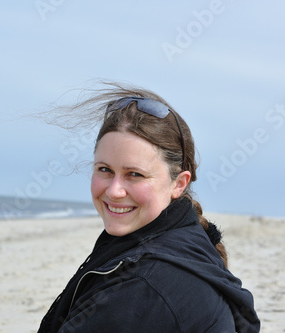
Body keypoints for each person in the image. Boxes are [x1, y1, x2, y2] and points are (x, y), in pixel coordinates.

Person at [37, 82, 260, 332]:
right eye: (104, 170)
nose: (113, 190)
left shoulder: (144, 285)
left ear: (179, 183)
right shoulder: (184, 243)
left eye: (135, 174)